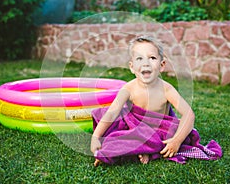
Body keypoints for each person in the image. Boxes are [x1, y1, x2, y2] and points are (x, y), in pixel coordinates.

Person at [90, 36, 222, 166]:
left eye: (152, 58)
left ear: (162, 65)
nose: (146, 63)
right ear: (132, 66)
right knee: (114, 134)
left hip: (159, 131)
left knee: (166, 136)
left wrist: (176, 141)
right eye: (139, 58)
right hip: (134, 128)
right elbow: (112, 113)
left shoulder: (166, 89)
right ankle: (118, 152)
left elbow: (188, 114)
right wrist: (96, 137)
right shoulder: (128, 88)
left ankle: (145, 151)